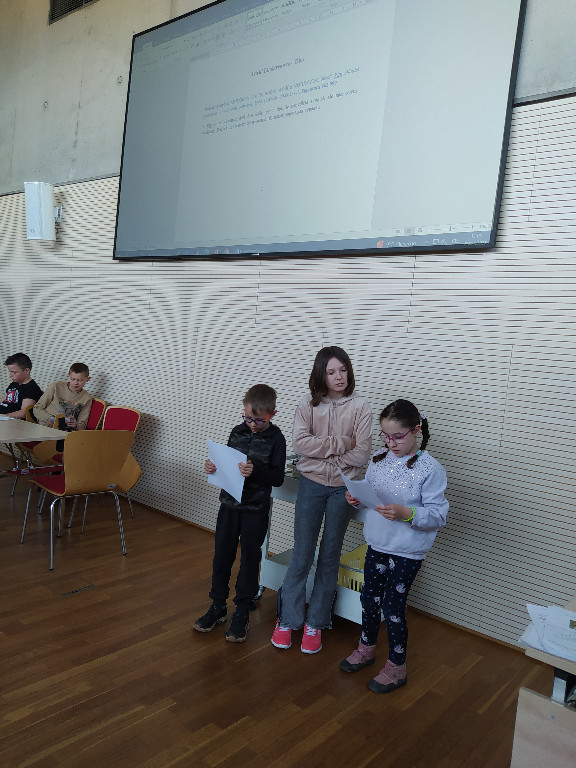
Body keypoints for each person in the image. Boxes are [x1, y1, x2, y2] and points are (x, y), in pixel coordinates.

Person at [340, 399, 448, 693]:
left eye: (398, 436)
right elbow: (372, 498)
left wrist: (407, 513)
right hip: (377, 543)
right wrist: (356, 499)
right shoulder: (378, 459)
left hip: (407, 551)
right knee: (368, 599)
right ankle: (366, 648)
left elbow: (438, 515)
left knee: (393, 607)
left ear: (416, 430)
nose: (391, 443)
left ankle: (397, 667)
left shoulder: (430, 469)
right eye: (385, 436)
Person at [271, 346, 372, 654]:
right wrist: (341, 443)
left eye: (342, 370)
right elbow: (300, 444)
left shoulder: (360, 407)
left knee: (330, 555)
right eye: (331, 372)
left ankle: (316, 621)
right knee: (302, 553)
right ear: (321, 375)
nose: (338, 377)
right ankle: (288, 620)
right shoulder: (307, 404)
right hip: (311, 485)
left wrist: (323, 453)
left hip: (343, 489)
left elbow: (362, 453)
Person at [194, 384, 286, 643]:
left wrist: (255, 471)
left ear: (272, 414)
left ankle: (242, 611)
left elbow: (277, 478)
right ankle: (218, 606)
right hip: (229, 505)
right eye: (248, 418)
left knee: (249, 559)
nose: (253, 425)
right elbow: (225, 463)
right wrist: (213, 467)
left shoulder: (277, 439)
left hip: (255, 510)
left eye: (260, 420)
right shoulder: (237, 431)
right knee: (222, 556)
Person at [33, 362, 92, 431]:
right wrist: (48, 418)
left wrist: (76, 425)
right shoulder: (56, 386)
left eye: (80, 380)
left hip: (64, 431)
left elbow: (82, 424)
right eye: (72, 379)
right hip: (45, 426)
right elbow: (37, 408)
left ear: (88, 379)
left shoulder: (87, 398)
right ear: (69, 375)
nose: (76, 383)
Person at [0, 353, 43, 419]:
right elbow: (2, 401)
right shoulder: (13, 384)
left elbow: (23, 413)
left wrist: (3, 417)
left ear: (27, 370)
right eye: (10, 372)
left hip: (12, 420)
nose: (11, 375)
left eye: (14, 372)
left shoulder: (31, 388)